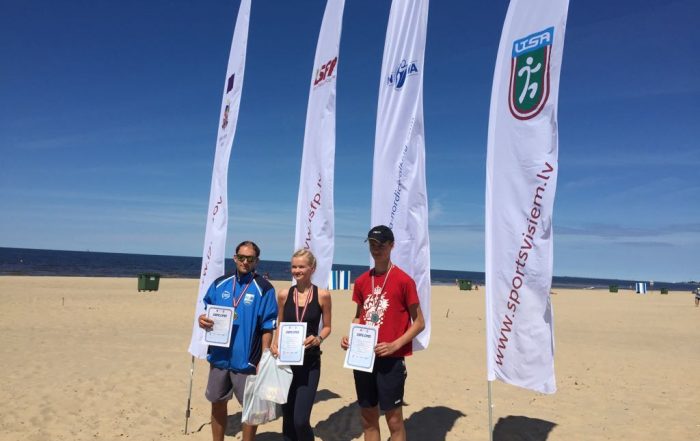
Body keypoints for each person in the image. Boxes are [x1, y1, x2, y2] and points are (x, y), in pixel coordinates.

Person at [341, 225, 425, 441]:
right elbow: (359, 316)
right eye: (372, 244)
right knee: (368, 418)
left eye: (381, 245)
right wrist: (351, 337)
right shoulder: (362, 281)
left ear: (391, 246)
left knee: (394, 421)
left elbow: (419, 323)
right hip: (363, 358)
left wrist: (395, 345)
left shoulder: (404, 280)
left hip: (391, 360)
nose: (376, 249)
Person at [198, 241, 278, 441]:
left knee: (250, 408)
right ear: (235, 258)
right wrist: (202, 319)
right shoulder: (220, 284)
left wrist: (264, 357)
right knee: (217, 402)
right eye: (241, 257)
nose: (245, 262)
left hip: (247, 360)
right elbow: (206, 311)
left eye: (250, 258)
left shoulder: (264, 288)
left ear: (256, 261)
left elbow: (268, 326)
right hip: (219, 358)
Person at [271, 249, 332, 441]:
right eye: (294, 266)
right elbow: (280, 324)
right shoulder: (283, 294)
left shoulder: (322, 295)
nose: (296, 270)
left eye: (301, 267)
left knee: (300, 420)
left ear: (312, 268)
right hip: (286, 363)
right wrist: (274, 343)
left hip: (310, 363)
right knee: (288, 418)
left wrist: (318, 339)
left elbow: (328, 327)